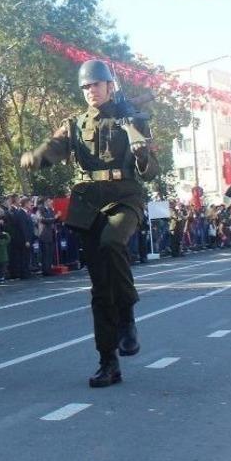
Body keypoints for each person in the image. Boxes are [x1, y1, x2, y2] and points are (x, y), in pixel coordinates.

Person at [21, 60, 159, 388]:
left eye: (96, 85)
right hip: (88, 204)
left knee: (113, 242)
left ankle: (127, 314)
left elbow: (150, 171)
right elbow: (55, 146)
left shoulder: (133, 118)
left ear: (110, 86)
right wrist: (36, 157)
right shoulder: (74, 123)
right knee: (99, 289)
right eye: (85, 87)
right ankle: (108, 361)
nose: (90, 91)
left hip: (125, 197)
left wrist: (140, 153)